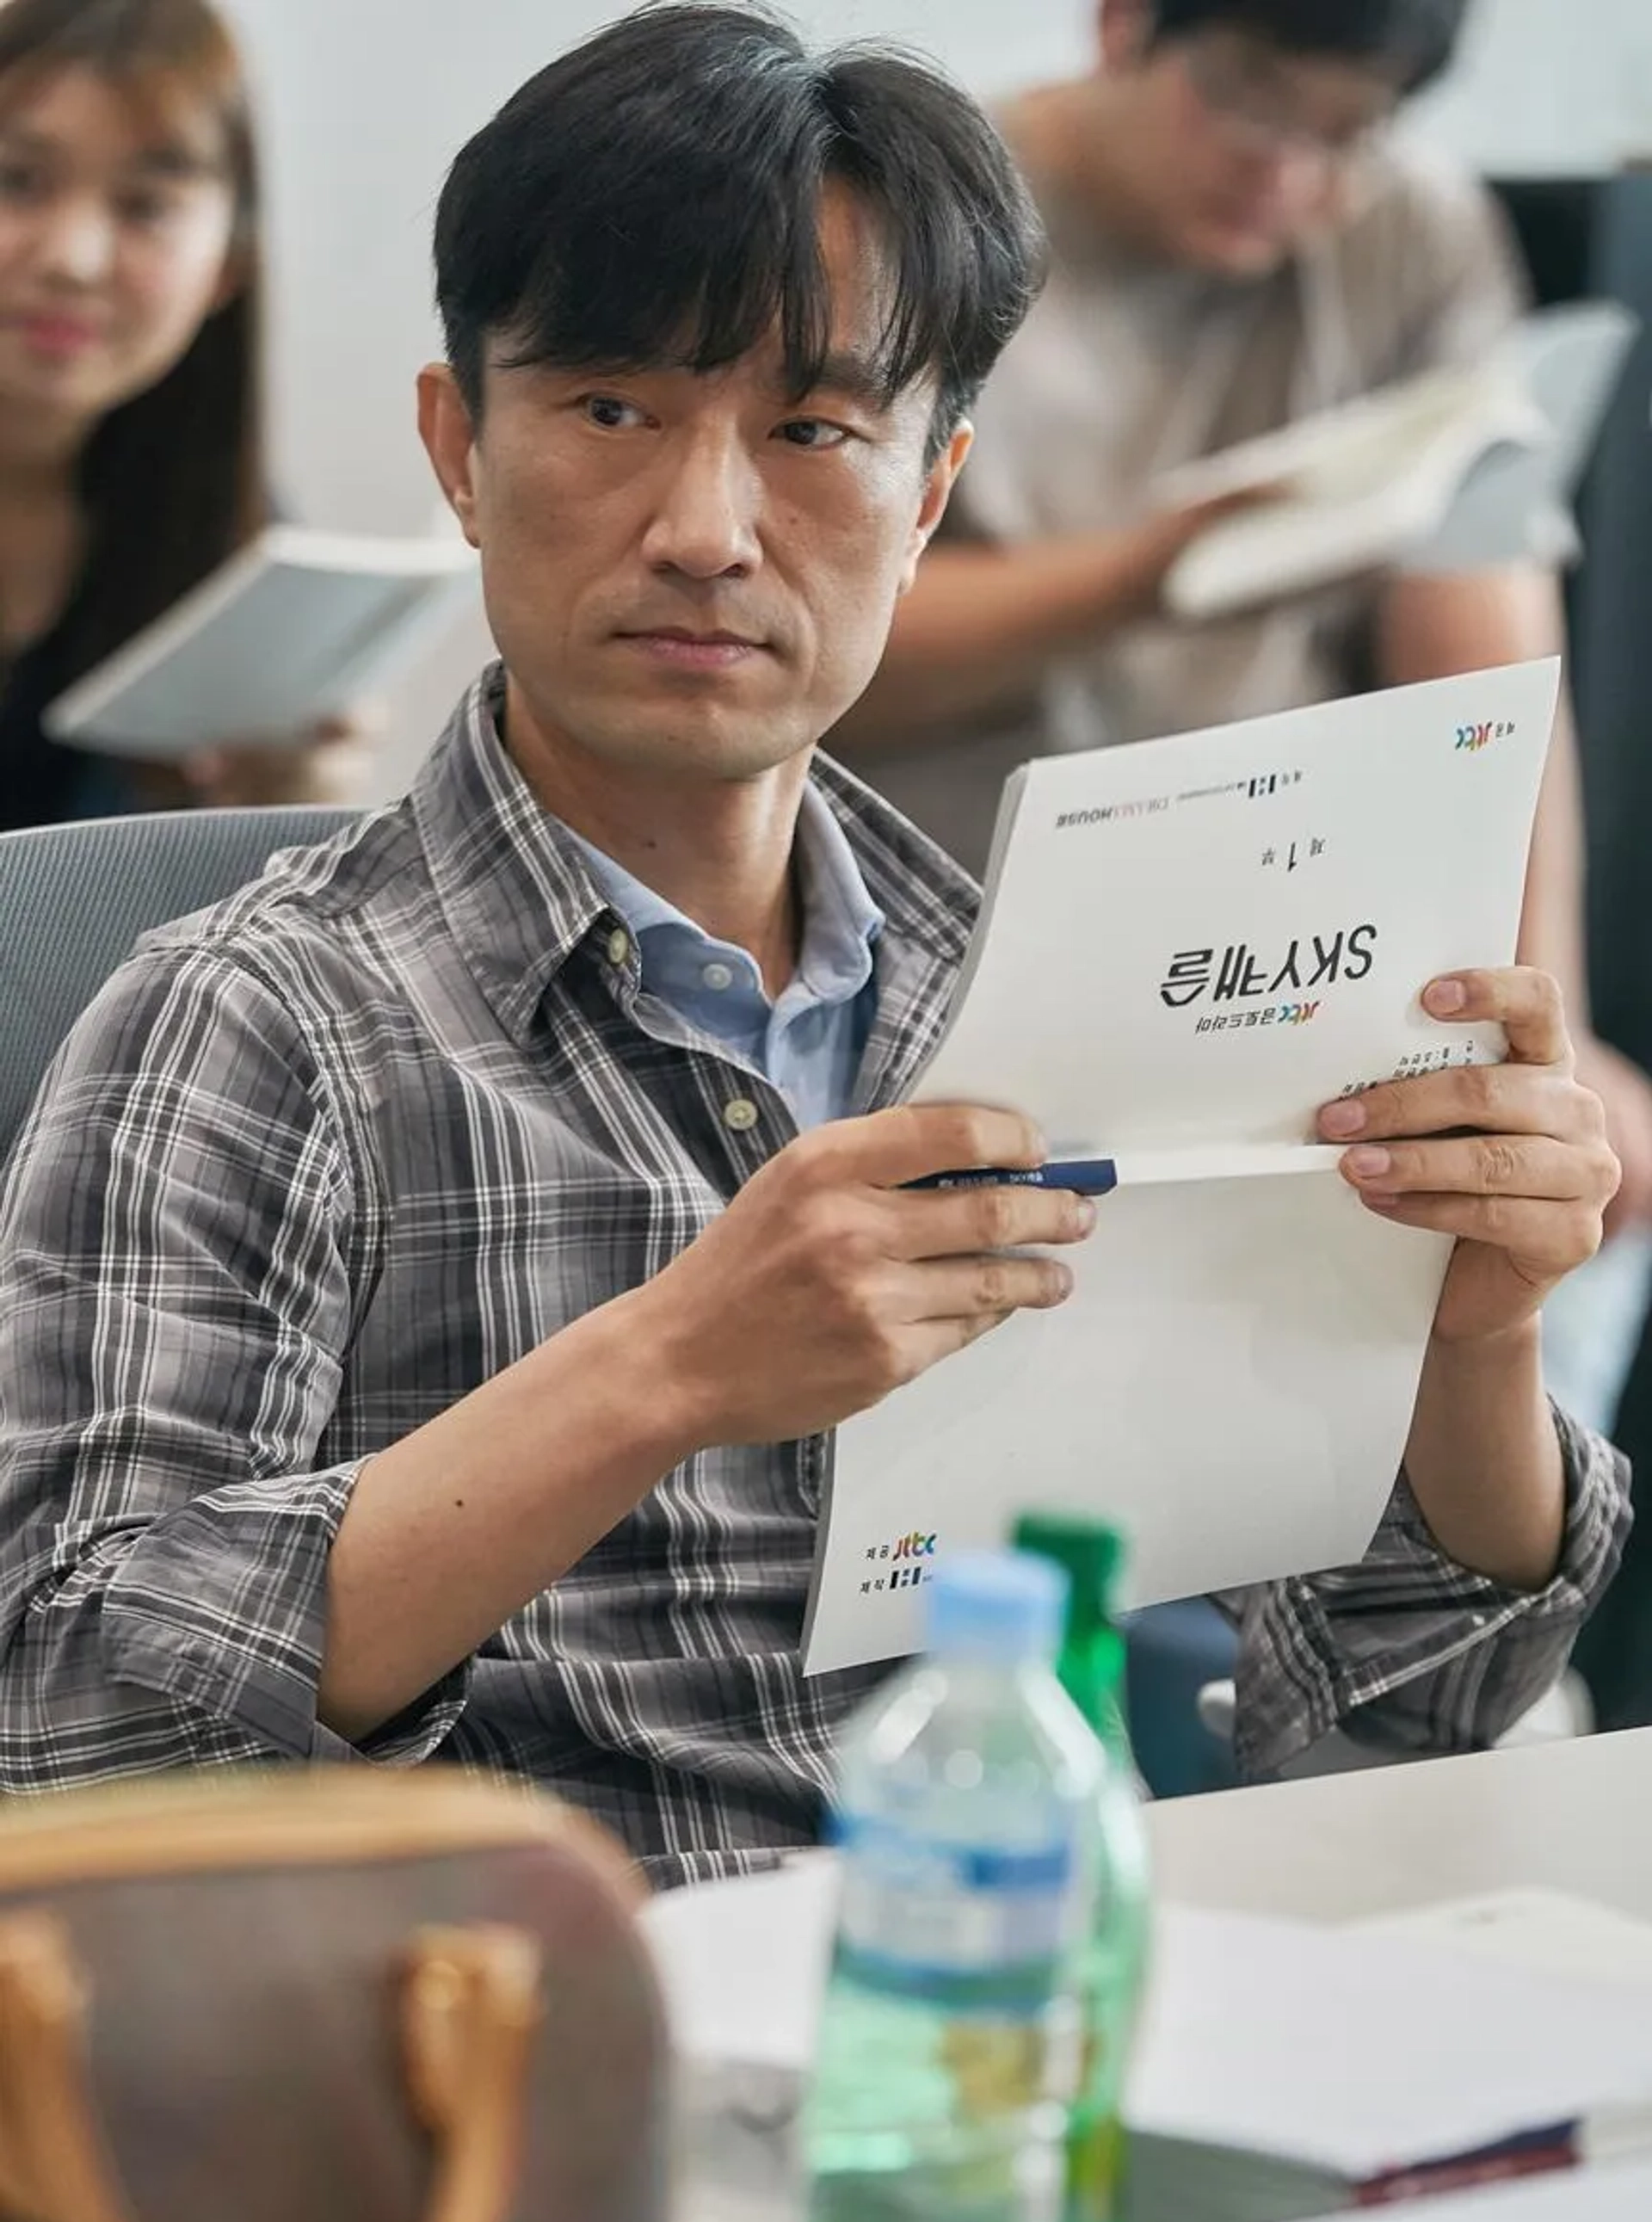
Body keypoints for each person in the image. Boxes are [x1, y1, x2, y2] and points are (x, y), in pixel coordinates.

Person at [0, 3, 1627, 1884]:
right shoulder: (253, 1018)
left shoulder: (1041, 1022)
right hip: (524, 2063)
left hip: (1005, 2011)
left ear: (930, 490)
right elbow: (56, 1729)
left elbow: (1391, 1730)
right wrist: (669, 1368)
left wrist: (1471, 1346)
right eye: (612, 409)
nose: (704, 527)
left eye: (815, 431)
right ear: (459, 446)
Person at [837, 0, 1652, 1238]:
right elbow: (826, 654)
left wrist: (1546, 1027)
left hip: (1281, 944)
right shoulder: (918, 227)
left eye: (1352, 129)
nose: (1295, 174)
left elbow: (1481, 635)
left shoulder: (1408, 231)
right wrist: (1159, 574)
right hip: (939, 935)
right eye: (1252, 100)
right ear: (1122, 27)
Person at [0, 0, 368, 831]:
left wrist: (290, 816)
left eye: (145, 208)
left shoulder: (236, 558)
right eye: (18, 181)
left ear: (226, 269)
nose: (73, 259)